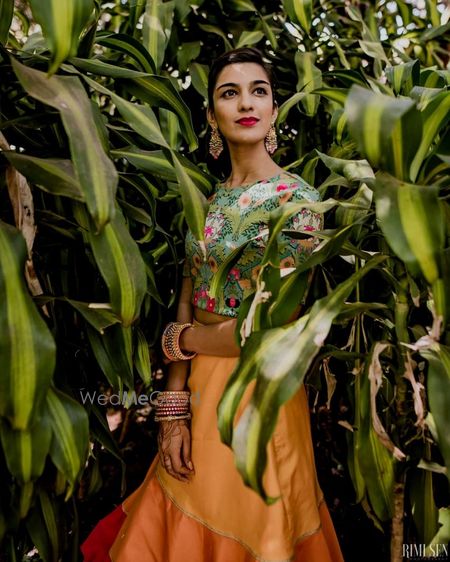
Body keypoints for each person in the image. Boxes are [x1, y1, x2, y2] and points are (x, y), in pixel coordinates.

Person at [81, 47, 344, 562]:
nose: (245, 102)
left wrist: (183, 341)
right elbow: (186, 294)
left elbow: (271, 329)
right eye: (229, 92)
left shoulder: (299, 201)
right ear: (211, 116)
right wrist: (172, 414)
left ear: (273, 110)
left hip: (258, 398)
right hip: (198, 390)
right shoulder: (206, 201)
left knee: (247, 521)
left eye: (258, 91)